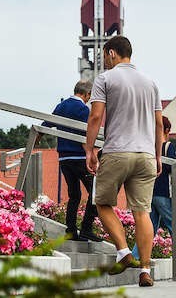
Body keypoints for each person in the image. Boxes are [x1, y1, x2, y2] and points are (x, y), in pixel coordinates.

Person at [84, 36, 163, 287]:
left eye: (105, 56)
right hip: (146, 155)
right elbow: (160, 123)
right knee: (142, 212)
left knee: (102, 202)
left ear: (111, 53)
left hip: (118, 151)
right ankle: (145, 270)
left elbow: (96, 116)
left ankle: (124, 253)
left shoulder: (105, 79)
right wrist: (158, 155)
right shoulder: (150, 83)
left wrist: (89, 149)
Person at [131, 116, 176, 277]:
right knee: (175, 228)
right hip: (164, 193)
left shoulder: (147, 147)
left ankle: (134, 257)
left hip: (149, 192)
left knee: (150, 228)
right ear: (168, 130)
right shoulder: (168, 146)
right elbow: (171, 168)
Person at [43, 81, 102, 242]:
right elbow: (85, 133)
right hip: (79, 157)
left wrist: (37, 138)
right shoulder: (83, 109)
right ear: (87, 94)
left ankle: (71, 230)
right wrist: (91, 154)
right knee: (96, 192)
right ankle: (86, 228)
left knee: (74, 195)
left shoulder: (61, 106)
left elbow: (46, 124)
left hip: (64, 158)